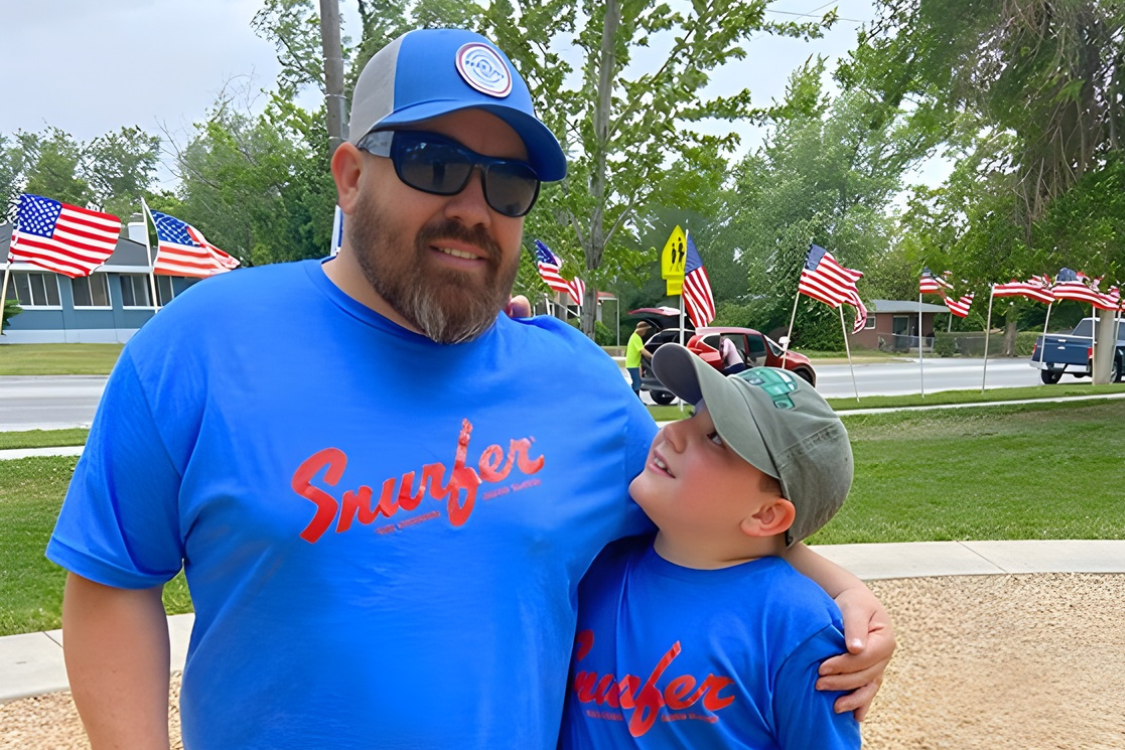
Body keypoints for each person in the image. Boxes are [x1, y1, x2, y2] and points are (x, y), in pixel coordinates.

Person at [46, 28, 892, 750]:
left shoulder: (577, 388)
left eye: (507, 182)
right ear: (349, 176)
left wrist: (843, 593)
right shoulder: (198, 345)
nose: (474, 207)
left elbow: (719, 513)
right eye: (434, 162)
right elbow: (114, 579)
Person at [561, 345, 861, 749]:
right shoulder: (596, 565)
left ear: (766, 516)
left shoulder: (796, 625)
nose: (672, 432)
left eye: (716, 438)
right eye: (691, 415)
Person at [626, 320, 654, 397]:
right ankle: (636, 400)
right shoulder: (636, 338)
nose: (645, 332)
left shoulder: (635, 337)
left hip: (634, 364)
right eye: (645, 330)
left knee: (637, 382)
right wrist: (652, 356)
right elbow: (642, 350)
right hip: (632, 364)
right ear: (641, 330)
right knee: (637, 383)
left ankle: (634, 399)